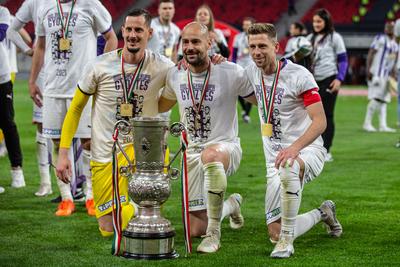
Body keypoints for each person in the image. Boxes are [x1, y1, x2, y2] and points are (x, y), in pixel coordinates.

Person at [56, 9, 175, 237]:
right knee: (108, 229)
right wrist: (63, 153)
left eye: (138, 30)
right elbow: (75, 109)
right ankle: (131, 213)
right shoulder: (99, 66)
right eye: (129, 29)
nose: (132, 35)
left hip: (142, 154)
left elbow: (166, 102)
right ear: (122, 31)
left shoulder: (163, 66)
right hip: (105, 154)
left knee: (133, 216)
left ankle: (140, 210)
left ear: (149, 33)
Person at [246, 23, 342, 258]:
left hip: (308, 151)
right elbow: (252, 96)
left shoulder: (299, 75)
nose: (257, 52)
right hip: (274, 161)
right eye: (252, 47)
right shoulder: (250, 72)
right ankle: (323, 212)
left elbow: (320, 122)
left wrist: (294, 148)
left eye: (262, 46)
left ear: (276, 47)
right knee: (274, 232)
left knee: (289, 166)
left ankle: (287, 243)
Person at [158, 22, 255, 253]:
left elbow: (259, 100)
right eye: (186, 42)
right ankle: (231, 205)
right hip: (191, 155)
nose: (190, 47)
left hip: (224, 148)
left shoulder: (230, 71)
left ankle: (214, 235)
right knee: (194, 230)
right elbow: (160, 104)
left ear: (209, 43)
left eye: (196, 42)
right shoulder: (176, 74)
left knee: (210, 155)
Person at [29, 0, 118, 216]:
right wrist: (33, 81)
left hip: (83, 87)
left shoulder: (91, 4)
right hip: (53, 88)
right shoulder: (45, 7)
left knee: (88, 142)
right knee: (57, 142)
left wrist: (101, 70)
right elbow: (40, 46)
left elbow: (111, 38)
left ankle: (90, 197)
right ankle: (66, 198)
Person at [307, 8, 348, 162]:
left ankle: (326, 150)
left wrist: (339, 79)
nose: (316, 24)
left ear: (326, 22)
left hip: (329, 79)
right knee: (311, 116)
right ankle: (313, 148)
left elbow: (343, 60)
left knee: (327, 115)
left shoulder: (334, 38)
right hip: (311, 81)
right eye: (314, 21)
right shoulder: (309, 38)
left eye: (319, 21)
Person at [0, 5, 26, 191]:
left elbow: (1, 33)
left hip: (1, 76)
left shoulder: (2, 12)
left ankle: (17, 170)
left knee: (7, 123)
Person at [364, 22, 398, 132]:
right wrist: (368, 69)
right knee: (376, 98)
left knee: (384, 100)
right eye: (387, 27)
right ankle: (367, 123)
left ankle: (383, 125)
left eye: (391, 27)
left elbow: (393, 60)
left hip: (386, 75)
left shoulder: (395, 44)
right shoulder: (380, 38)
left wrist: (393, 74)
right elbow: (371, 53)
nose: (389, 29)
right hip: (377, 74)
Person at [232, 17, 255, 123]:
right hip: (240, 65)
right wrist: (233, 64)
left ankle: (246, 113)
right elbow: (235, 52)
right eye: (244, 24)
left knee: (252, 88)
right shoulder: (238, 37)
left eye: (247, 24)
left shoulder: (255, 37)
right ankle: (245, 110)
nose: (245, 26)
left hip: (251, 64)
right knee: (238, 89)